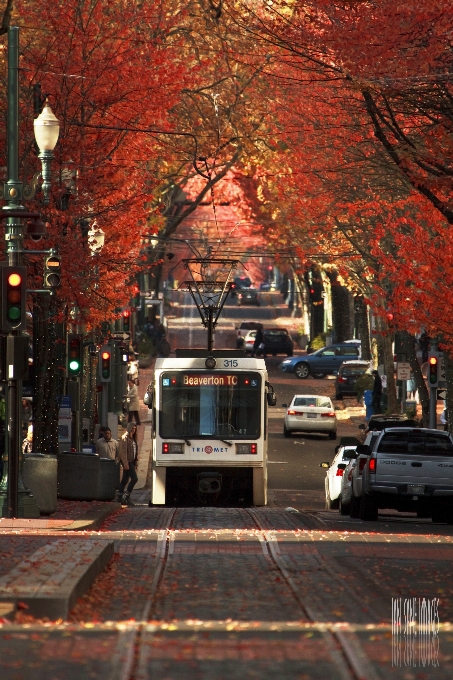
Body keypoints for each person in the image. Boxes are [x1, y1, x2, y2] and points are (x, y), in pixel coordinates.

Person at [117, 422, 139, 505]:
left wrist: (136, 463)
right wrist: (125, 463)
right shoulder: (125, 438)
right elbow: (123, 452)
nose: (133, 430)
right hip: (128, 461)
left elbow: (135, 451)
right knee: (134, 479)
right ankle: (126, 496)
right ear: (129, 428)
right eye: (132, 428)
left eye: (135, 429)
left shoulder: (133, 438)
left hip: (132, 461)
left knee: (125, 480)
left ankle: (120, 495)